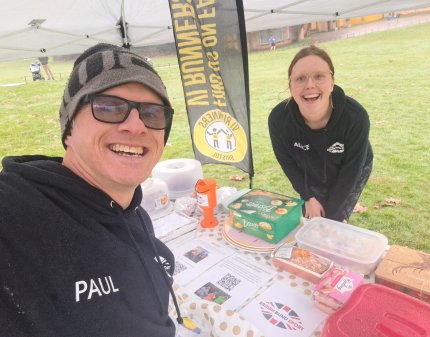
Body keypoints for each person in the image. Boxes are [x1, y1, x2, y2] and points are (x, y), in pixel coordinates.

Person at [0, 43, 183, 336]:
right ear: (69, 127)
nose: (136, 126)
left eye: (152, 113)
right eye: (109, 107)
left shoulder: (135, 215)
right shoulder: (15, 214)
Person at [268, 45, 373, 222]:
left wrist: (334, 216)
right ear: (290, 86)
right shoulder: (279, 120)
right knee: (312, 217)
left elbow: (350, 174)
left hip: (351, 167)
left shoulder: (355, 117)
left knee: (335, 219)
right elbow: (288, 163)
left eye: (319, 76)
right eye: (300, 78)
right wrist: (308, 196)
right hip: (309, 164)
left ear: (332, 82)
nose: (310, 85)